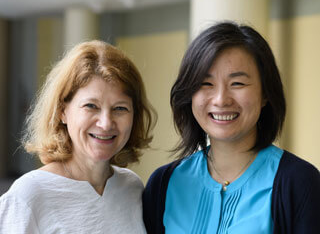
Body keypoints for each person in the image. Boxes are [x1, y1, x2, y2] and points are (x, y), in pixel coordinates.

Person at [143, 21, 320, 234]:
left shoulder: (300, 182)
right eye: (206, 84)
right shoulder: (163, 183)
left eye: (237, 84)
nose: (221, 99)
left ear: (265, 93)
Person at [0, 40, 156, 233]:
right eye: (91, 106)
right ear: (62, 111)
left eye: (120, 108)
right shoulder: (28, 196)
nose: (106, 123)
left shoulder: (131, 187)